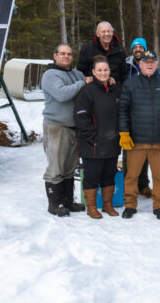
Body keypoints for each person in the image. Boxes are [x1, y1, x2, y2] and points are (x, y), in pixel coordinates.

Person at [118, 50, 160, 220]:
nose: (149, 64)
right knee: (131, 175)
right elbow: (122, 110)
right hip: (136, 141)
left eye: (152, 61)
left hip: (159, 140)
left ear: (156, 64)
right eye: (146, 62)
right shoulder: (130, 84)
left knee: (158, 175)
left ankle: (158, 205)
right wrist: (124, 133)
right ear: (140, 65)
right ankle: (130, 205)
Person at [41, 43, 92, 217]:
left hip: (74, 127)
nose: (66, 56)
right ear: (55, 55)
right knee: (56, 166)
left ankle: (68, 200)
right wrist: (83, 83)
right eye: (62, 53)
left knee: (70, 167)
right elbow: (62, 94)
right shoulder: (50, 75)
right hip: (57, 127)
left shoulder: (76, 73)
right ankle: (55, 203)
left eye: (69, 54)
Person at [74, 56, 122, 219]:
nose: (103, 73)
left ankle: (108, 205)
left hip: (112, 143)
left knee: (109, 174)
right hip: (93, 144)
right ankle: (92, 207)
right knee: (92, 176)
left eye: (106, 70)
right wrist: (92, 138)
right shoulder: (86, 91)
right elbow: (81, 117)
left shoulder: (116, 89)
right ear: (93, 72)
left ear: (110, 71)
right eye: (99, 70)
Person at [123, 37, 154, 198]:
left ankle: (143, 184)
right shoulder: (125, 65)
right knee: (129, 151)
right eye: (135, 47)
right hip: (129, 113)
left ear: (145, 49)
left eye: (141, 47)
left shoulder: (151, 64)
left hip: (146, 114)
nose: (138, 49)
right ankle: (129, 186)